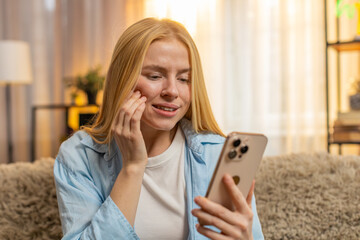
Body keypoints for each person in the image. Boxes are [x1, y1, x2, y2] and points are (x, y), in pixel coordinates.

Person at [54, 18, 264, 240]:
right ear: (122, 80)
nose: (172, 91)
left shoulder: (217, 154)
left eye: (184, 79)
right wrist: (133, 168)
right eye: (155, 76)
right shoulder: (79, 156)